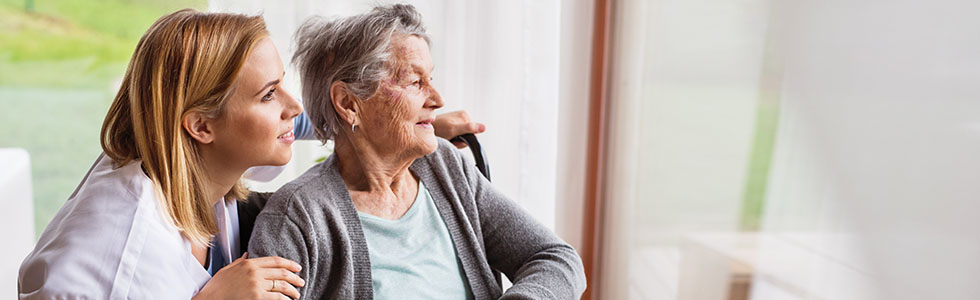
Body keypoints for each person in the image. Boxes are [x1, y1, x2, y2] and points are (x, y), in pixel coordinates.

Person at [18, 8, 482, 299]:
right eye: (269, 95)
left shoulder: (182, 154)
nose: (294, 106)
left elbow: (291, 118)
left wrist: (397, 123)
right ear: (201, 126)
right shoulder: (126, 252)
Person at [247, 4, 587, 299]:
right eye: (414, 82)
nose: (437, 100)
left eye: (431, 79)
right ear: (349, 104)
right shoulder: (300, 218)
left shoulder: (446, 167)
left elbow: (555, 257)